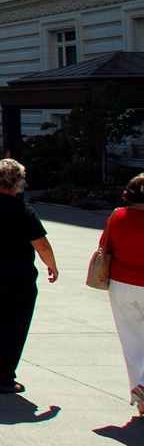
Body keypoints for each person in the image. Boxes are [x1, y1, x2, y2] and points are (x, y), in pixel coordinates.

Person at [0, 158, 59, 394]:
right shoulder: (23, 210)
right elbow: (42, 245)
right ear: (17, 181)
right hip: (18, 276)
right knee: (14, 325)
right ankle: (5, 377)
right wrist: (52, 266)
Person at [100, 173, 144, 415]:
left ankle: (140, 398)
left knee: (132, 342)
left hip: (121, 283)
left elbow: (105, 246)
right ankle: (143, 388)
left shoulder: (117, 215)